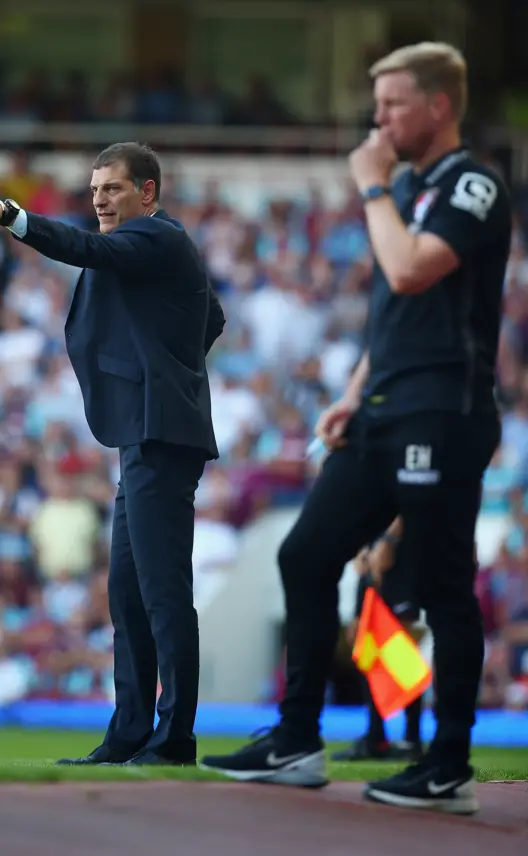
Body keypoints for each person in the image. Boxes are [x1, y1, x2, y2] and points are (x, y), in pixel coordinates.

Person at [201, 42, 511, 815]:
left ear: (439, 107)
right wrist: (350, 390)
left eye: (393, 105)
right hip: (383, 407)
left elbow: (410, 271)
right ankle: (297, 738)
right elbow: (396, 313)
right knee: (307, 555)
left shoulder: (470, 184)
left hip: (444, 409)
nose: (377, 121)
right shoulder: (407, 187)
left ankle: (447, 765)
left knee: (442, 585)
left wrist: (374, 187)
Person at [0, 142, 226, 766]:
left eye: (113, 189)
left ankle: (174, 737)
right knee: (128, 594)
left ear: (147, 193)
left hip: (160, 436)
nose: (99, 199)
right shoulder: (150, 253)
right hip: (145, 436)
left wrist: (7, 214)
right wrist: (171, 358)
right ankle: (129, 733)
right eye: (94, 190)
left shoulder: (156, 238)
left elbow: (87, 250)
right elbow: (213, 315)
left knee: (161, 591)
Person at [331, 517, 424, 763]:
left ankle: (411, 738)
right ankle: (377, 736)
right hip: (377, 554)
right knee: (368, 650)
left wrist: (389, 540)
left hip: (398, 558)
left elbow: (406, 500)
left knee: (401, 653)